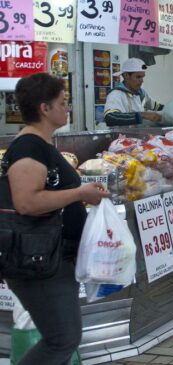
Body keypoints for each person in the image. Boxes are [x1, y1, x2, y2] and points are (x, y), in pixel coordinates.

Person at [2, 73, 109, 365]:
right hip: (40, 263)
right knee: (62, 339)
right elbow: (27, 202)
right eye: (63, 102)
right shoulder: (28, 149)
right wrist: (78, 194)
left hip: (53, 259)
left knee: (64, 337)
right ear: (44, 109)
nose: (68, 108)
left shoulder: (42, 145)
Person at [103, 58, 163, 126]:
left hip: (138, 135)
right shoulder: (116, 94)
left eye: (142, 77)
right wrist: (142, 115)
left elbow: (156, 106)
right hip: (121, 136)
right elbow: (110, 117)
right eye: (138, 77)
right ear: (126, 75)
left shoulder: (142, 93)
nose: (142, 81)